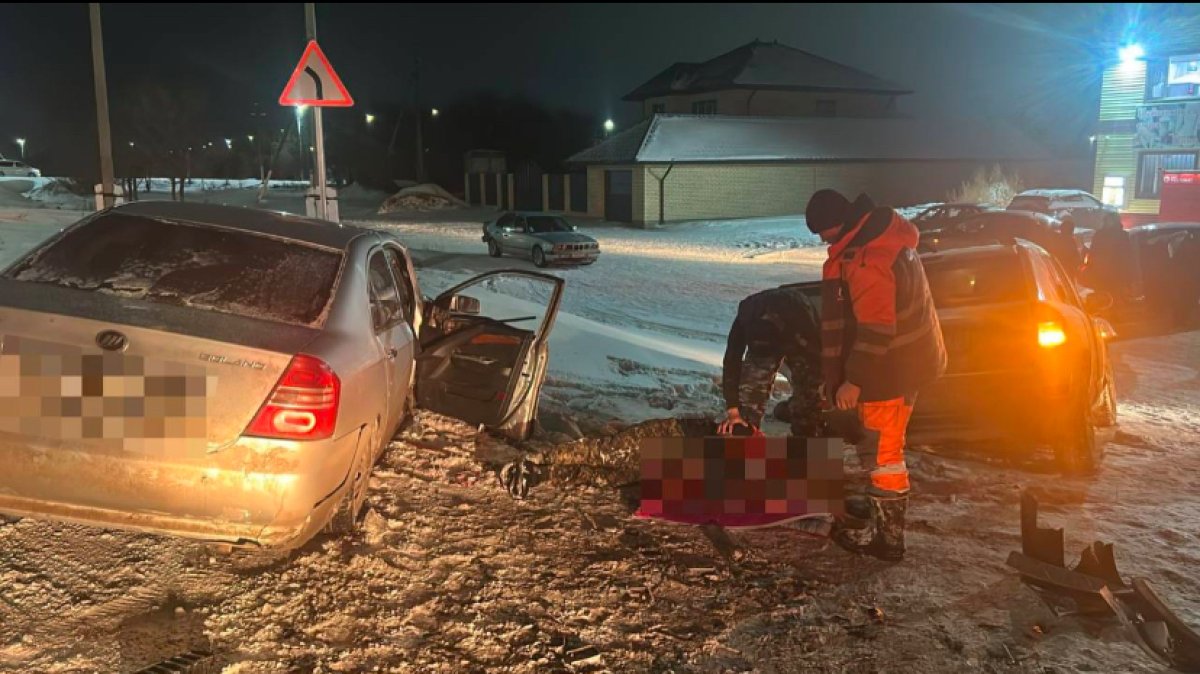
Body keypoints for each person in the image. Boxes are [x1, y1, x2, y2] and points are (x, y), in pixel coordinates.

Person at [805, 189, 947, 562]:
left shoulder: (868, 259)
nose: (822, 240)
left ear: (838, 223)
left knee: (884, 456)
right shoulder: (880, 240)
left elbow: (876, 329)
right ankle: (884, 528)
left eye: (823, 232)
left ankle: (888, 542)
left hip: (889, 372)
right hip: (901, 366)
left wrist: (854, 380)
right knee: (882, 451)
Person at [716, 285, 824, 438]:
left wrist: (818, 390)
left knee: (809, 392)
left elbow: (817, 353)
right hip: (767, 326)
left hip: (796, 335)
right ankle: (746, 434)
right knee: (749, 393)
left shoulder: (799, 318)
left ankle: (807, 439)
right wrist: (733, 409)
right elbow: (732, 360)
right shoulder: (745, 317)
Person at [1084, 212, 1136, 301]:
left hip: (1115, 274)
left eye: (1109, 220)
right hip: (1104, 274)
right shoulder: (1101, 234)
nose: (1107, 222)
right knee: (1103, 298)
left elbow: (1127, 256)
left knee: (1113, 297)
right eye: (1106, 220)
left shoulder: (1121, 235)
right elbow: (1093, 252)